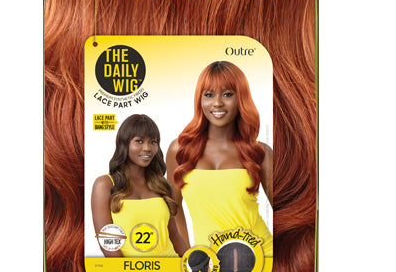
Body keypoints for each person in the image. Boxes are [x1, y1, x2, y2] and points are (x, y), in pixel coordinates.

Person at [167, 61, 273, 256]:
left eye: (227, 94)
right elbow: (173, 209)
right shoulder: (179, 150)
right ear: (199, 99)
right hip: (208, 265)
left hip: (261, 256)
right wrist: (187, 255)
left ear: (241, 98)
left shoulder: (260, 152)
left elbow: (284, 214)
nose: (217, 103)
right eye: (208, 95)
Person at [91, 114, 189, 257]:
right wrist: (126, 271)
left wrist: (192, 264)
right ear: (124, 143)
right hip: (129, 269)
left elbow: (174, 235)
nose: (147, 148)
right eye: (139, 141)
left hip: (171, 265)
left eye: (153, 142)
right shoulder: (105, 185)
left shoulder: (164, 186)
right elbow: (108, 244)